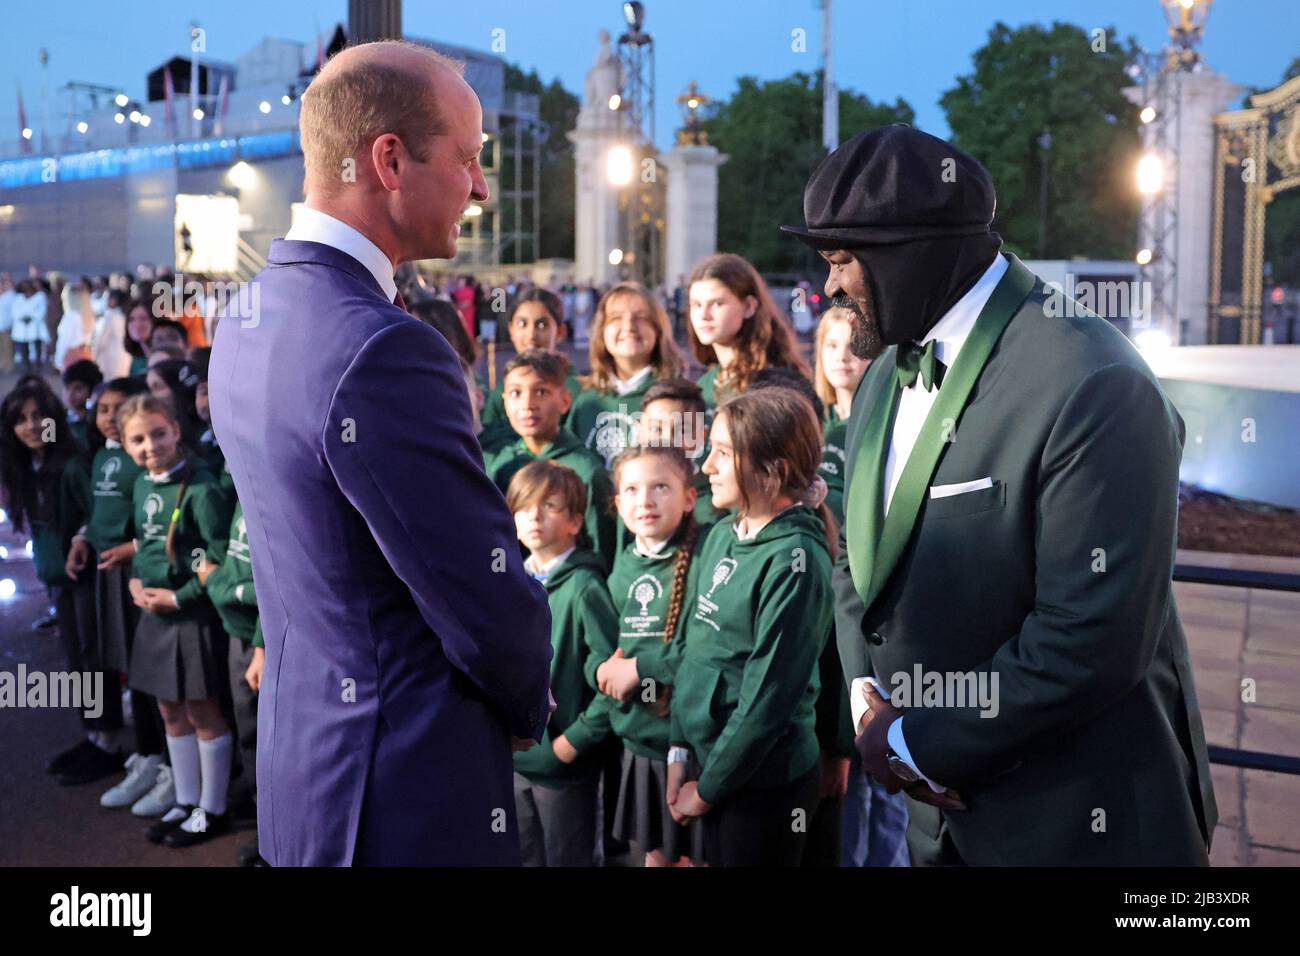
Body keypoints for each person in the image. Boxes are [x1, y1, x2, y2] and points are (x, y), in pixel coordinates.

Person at [781, 124, 1217, 865]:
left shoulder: (1095, 381)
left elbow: (1093, 637)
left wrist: (919, 741)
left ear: (922, 251)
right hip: (936, 830)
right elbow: (857, 559)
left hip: (1075, 826)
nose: (830, 286)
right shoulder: (884, 369)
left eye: (844, 259)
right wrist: (866, 705)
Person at [209, 40, 554, 866]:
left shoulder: (249, 311)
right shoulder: (385, 348)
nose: (480, 187)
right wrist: (527, 699)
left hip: (308, 766)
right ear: (389, 160)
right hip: (404, 788)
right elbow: (484, 600)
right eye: (468, 159)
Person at [666, 388, 835, 866]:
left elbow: (769, 698)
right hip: (707, 767)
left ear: (771, 469)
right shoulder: (721, 534)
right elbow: (693, 653)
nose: (706, 466)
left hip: (760, 785)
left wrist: (710, 789)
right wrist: (680, 752)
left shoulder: (795, 562)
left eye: (723, 452)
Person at [810, 306, 906, 866]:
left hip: (881, 608)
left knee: (888, 773)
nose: (842, 357)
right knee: (845, 782)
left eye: (854, 345)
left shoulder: (890, 420)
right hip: (829, 610)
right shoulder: (814, 426)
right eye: (830, 346)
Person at [117, 394, 235, 848]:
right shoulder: (143, 486)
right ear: (126, 445)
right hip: (155, 616)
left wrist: (179, 597)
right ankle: (185, 802)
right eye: (138, 439)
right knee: (169, 709)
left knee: (203, 711)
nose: (150, 446)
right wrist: (135, 583)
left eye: (159, 433)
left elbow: (217, 557)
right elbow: (143, 544)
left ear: (176, 431)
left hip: (190, 616)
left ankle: (213, 810)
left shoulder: (202, 488)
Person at [2, 377, 125, 786]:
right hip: (58, 579)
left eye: (39, 417)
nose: (32, 426)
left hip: (85, 577)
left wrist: (80, 538)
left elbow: (98, 512)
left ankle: (108, 742)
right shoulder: (26, 469)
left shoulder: (71, 464)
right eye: (21, 419)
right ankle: (92, 736)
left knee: (93, 657)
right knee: (76, 660)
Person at [65, 377, 175, 814]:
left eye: (118, 407)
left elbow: (159, 517)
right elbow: (100, 513)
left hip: (141, 575)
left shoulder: (143, 460)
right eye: (103, 408)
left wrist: (135, 548)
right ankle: (147, 757)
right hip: (108, 575)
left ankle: (165, 763)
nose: (109, 416)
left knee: (150, 675)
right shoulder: (101, 457)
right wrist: (83, 536)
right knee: (128, 666)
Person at [600, 445, 708, 867]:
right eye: (631, 489)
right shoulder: (621, 566)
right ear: (617, 502)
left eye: (660, 487)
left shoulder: (703, 560)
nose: (645, 500)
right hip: (639, 744)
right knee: (653, 857)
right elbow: (602, 652)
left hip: (691, 747)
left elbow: (704, 654)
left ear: (688, 497)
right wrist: (604, 671)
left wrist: (640, 668)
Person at [506, 461, 617, 866]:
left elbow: (613, 682)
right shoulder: (512, 580)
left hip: (563, 764)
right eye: (524, 507)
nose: (534, 516)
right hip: (516, 761)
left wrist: (572, 743)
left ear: (574, 521)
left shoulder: (586, 587)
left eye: (548, 506)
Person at [487, 350, 616, 570]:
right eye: (516, 393)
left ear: (565, 401)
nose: (528, 404)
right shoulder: (499, 465)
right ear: (505, 402)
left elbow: (602, 550)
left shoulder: (585, 470)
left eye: (541, 392)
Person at [569, 282, 687, 470]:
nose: (629, 326)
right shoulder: (585, 403)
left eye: (641, 317)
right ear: (601, 332)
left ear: (658, 329)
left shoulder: (678, 401)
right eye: (616, 318)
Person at [687, 253, 810, 408]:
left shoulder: (776, 385)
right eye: (696, 305)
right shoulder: (704, 386)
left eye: (717, 303)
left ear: (748, 306)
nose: (704, 315)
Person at [480, 289, 582, 454]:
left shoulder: (576, 389)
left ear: (560, 332)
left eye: (542, 325)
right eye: (522, 324)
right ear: (511, 330)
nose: (531, 335)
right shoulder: (502, 389)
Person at [634, 378, 718, 525]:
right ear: (639, 432)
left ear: (702, 436)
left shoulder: (715, 502)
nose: (668, 440)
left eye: (683, 431)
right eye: (656, 429)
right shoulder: (633, 499)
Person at [62, 359, 104, 449]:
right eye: (67, 388)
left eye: (78, 388)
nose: (70, 394)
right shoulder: (54, 418)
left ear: (92, 391)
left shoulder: (96, 422)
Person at [93, 288, 134, 379]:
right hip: (125, 358)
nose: (105, 301)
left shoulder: (110, 317)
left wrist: (93, 357)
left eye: (106, 298)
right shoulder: (126, 316)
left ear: (113, 300)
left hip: (110, 360)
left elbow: (100, 342)